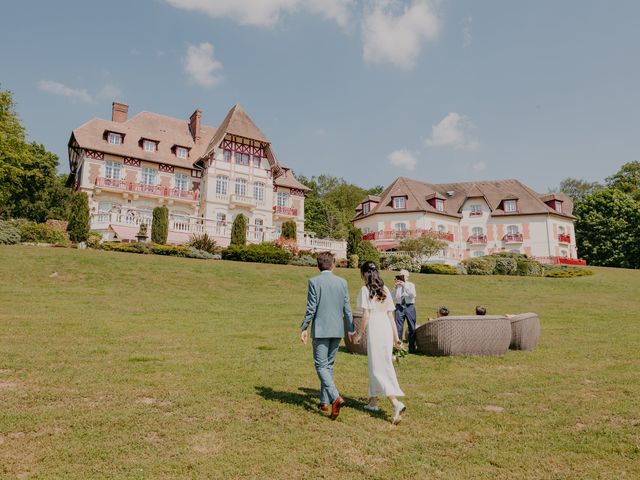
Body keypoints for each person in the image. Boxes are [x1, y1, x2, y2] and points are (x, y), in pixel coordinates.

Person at [300, 252, 355, 420]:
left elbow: (311, 308)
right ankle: (324, 402)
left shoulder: (314, 282)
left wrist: (304, 327)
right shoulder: (342, 282)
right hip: (337, 329)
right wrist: (351, 329)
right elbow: (347, 308)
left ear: (318, 265)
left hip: (322, 329)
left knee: (320, 366)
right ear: (333, 265)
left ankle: (334, 396)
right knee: (328, 366)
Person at [354, 261, 406, 425]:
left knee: (378, 368)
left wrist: (359, 334)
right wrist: (396, 337)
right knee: (378, 365)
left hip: (376, 329)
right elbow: (391, 316)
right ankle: (373, 402)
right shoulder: (385, 290)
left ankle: (395, 403)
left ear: (364, 274)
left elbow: (366, 316)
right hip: (386, 329)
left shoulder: (365, 290)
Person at [393, 269, 417, 353]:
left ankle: (412, 348)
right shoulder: (397, 286)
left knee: (411, 327)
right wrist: (396, 287)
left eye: (402, 275)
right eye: (399, 275)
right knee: (398, 328)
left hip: (409, 306)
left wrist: (404, 286)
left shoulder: (411, 285)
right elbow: (392, 297)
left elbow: (413, 295)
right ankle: (399, 347)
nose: (401, 277)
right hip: (399, 307)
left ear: (407, 277)